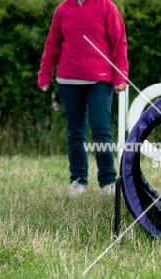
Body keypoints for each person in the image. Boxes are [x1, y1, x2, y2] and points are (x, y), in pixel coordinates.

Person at [37, 0, 128, 196]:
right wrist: (45, 73)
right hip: (68, 81)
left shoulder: (106, 6)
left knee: (101, 131)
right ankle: (78, 181)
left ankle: (108, 181)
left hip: (100, 80)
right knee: (75, 133)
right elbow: (52, 44)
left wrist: (121, 75)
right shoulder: (62, 9)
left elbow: (119, 42)